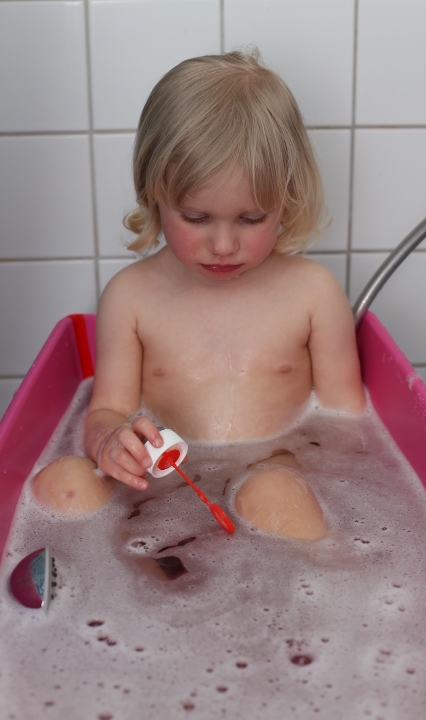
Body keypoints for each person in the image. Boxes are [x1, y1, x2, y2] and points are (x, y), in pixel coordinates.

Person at [84, 50, 365, 538]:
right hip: (162, 478)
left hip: (280, 469)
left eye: (251, 219)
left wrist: (303, 470)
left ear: (286, 199)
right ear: (154, 192)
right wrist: (109, 440)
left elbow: (348, 422)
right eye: (196, 218)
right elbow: (107, 409)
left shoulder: (313, 293)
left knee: (272, 494)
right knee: (66, 484)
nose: (223, 244)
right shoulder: (130, 297)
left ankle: (321, 571)